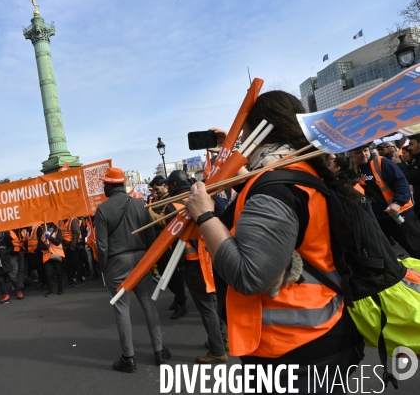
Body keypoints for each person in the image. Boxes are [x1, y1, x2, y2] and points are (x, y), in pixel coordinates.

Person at [186, 90, 364, 392]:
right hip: (318, 335)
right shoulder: (298, 169)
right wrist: (227, 148)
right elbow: (259, 180)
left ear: (258, 131)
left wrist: (205, 216)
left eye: (243, 132)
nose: (240, 139)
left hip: (293, 349)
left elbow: (249, 275)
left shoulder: (276, 188)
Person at [95, 167, 171, 373]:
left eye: (104, 184)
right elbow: (150, 236)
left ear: (110, 185)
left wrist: (104, 267)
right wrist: (148, 260)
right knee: (149, 305)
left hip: (116, 262)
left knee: (121, 309)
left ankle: (128, 358)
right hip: (140, 259)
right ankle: (159, 351)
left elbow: (101, 245)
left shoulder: (102, 210)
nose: (103, 187)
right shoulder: (140, 204)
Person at [160, 170, 228, 364]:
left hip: (193, 262)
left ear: (173, 185)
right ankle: (223, 338)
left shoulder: (171, 206)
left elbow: (171, 237)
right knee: (215, 301)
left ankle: (217, 350)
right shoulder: (204, 197)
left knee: (206, 306)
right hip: (213, 256)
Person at [349, 143, 420, 258]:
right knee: (385, 256)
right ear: (350, 154)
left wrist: (397, 203)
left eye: (366, 150)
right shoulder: (351, 169)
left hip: (399, 215)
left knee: (416, 249)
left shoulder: (381, 162)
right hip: (376, 220)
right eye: (358, 152)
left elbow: (401, 184)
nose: (364, 154)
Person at [149, 175, 188, 319]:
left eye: (156, 189)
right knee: (166, 274)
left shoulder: (169, 201)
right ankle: (178, 298)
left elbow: (163, 222)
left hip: (169, 243)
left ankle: (181, 302)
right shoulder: (158, 201)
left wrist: (148, 212)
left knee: (172, 275)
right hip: (162, 243)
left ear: (165, 186)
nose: (155, 192)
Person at [39, 223, 65, 297]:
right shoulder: (43, 234)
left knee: (59, 273)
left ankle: (60, 290)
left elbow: (58, 241)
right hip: (47, 256)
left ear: (49, 225)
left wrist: (49, 237)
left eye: (44, 225)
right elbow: (40, 246)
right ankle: (50, 290)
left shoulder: (57, 231)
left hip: (56, 255)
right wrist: (45, 246)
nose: (43, 226)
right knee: (48, 274)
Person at [397, 134, 420, 217]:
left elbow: (410, 177)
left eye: (411, 144)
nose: (409, 148)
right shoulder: (417, 158)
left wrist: (399, 164)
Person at [60, 218, 84, 288]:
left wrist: (73, 245)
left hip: (73, 245)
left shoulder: (73, 220)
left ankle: (80, 279)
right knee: (67, 263)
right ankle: (70, 280)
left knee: (76, 263)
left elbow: (76, 233)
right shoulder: (62, 221)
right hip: (66, 246)